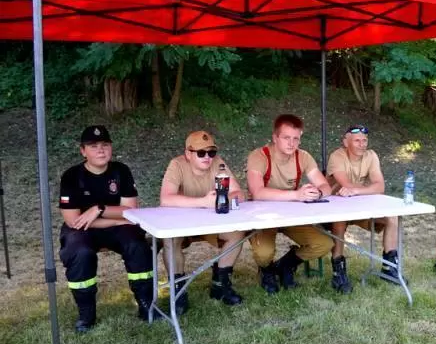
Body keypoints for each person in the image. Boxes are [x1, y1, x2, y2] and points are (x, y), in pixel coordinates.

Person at [58, 126, 155, 332]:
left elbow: (131, 211)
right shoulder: (71, 176)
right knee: (79, 252)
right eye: (93, 146)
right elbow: (74, 221)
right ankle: (86, 315)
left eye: (105, 145)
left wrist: (99, 209)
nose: (100, 150)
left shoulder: (121, 171)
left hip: (112, 225)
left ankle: (146, 304)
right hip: (83, 229)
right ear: (83, 151)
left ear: (111, 148)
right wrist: (116, 220)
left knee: (137, 245)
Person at [159, 130, 246, 312]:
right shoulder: (177, 165)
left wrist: (222, 199)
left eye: (211, 152)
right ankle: (178, 289)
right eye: (201, 153)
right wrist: (202, 202)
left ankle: (220, 284)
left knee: (236, 234)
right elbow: (166, 199)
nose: (207, 157)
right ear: (188, 154)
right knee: (170, 240)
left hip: (210, 223)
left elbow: (239, 194)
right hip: (181, 223)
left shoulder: (218, 163)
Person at [246, 114, 334, 293]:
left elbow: (326, 186)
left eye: (296, 139)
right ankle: (266, 269)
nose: (291, 143)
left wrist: (316, 193)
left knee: (324, 243)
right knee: (263, 254)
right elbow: (257, 192)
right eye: (286, 138)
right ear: (275, 137)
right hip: (262, 215)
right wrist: (296, 195)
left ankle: (285, 265)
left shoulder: (303, 156)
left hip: (291, 214)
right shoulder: (259, 156)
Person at [325, 125, 401, 293]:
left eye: (364, 140)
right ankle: (338, 271)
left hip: (360, 206)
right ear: (346, 142)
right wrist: (364, 189)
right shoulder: (337, 156)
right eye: (357, 141)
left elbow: (380, 186)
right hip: (335, 207)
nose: (362, 144)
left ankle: (389, 267)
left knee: (392, 217)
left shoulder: (371, 155)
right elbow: (346, 184)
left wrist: (357, 191)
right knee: (339, 221)